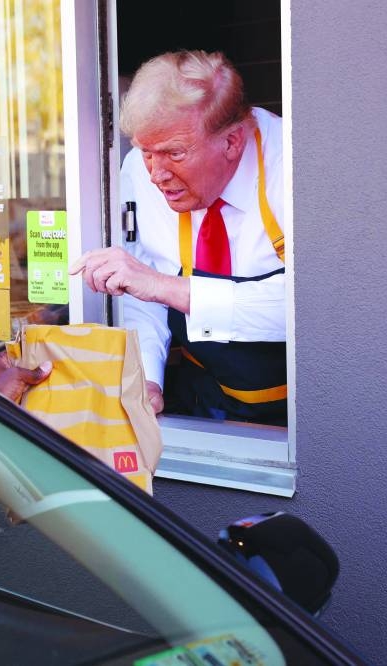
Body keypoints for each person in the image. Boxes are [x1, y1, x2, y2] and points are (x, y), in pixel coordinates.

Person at [70, 50, 287, 426]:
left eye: (173, 153)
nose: (156, 174)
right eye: (146, 152)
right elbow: (144, 285)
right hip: (202, 397)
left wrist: (165, 286)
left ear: (233, 142)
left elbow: (312, 308)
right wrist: (148, 379)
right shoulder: (141, 168)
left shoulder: (293, 163)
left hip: (298, 415)